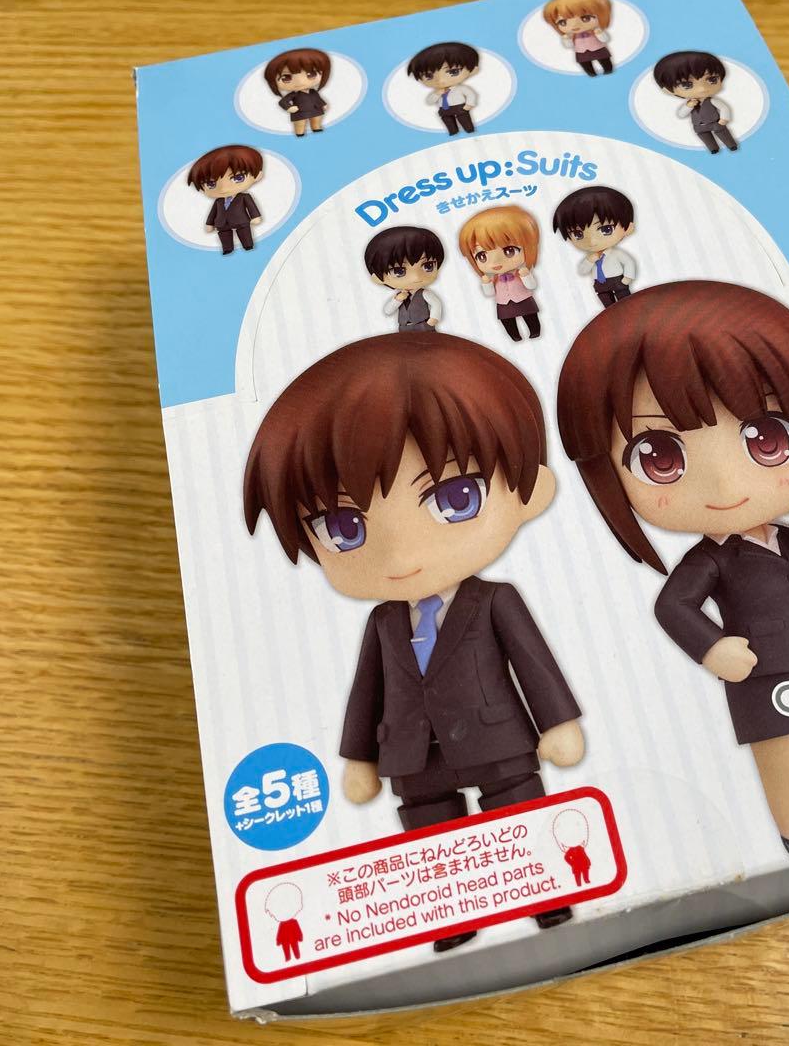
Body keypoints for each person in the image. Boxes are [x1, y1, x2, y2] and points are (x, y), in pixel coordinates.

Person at [244, 332, 585, 951]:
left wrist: (558, 723)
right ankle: (453, 917)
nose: (400, 555)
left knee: (519, 815)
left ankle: (547, 896)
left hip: (498, 740)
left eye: (456, 497)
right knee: (432, 836)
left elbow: (534, 664)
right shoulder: (382, 623)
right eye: (342, 526)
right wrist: (358, 758)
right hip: (411, 755)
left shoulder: (495, 601)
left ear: (530, 491)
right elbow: (366, 693)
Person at [556, 281, 789, 858]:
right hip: (765, 673)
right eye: (660, 458)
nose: (725, 485)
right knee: (785, 756)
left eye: (768, 438)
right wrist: (713, 647)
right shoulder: (711, 558)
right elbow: (673, 605)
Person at [459, 206, 543, 341]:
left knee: (530, 315)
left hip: (523, 298)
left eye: (509, 250)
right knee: (507, 320)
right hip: (503, 302)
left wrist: (526, 275)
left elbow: (532, 286)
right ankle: (515, 336)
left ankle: (535, 331)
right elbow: (489, 293)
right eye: (482, 256)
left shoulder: (520, 273)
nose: (495, 261)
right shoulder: (494, 279)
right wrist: (486, 283)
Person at [552, 186, 637, 306]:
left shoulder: (617, 254)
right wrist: (589, 261)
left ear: (628, 228)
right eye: (578, 234)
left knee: (627, 304)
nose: (592, 241)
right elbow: (582, 271)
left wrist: (627, 277)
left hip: (617, 280)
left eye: (606, 229)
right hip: (600, 284)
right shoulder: (591, 257)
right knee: (608, 308)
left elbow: (629, 262)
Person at [653, 51, 738, 154]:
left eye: (712, 79)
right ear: (667, 90)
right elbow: (681, 114)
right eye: (687, 85)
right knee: (705, 136)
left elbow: (724, 108)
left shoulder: (713, 101)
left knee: (723, 133)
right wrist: (688, 106)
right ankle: (713, 148)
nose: (702, 89)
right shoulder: (690, 104)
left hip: (715, 123)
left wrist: (724, 119)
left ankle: (731, 145)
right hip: (699, 126)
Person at [187, 144, 264, 255]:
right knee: (224, 235)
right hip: (222, 224)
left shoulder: (244, 197)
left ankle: (248, 245)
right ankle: (227, 248)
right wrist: (209, 223)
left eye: (238, 178)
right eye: (211, 184)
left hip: (241, 221)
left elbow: (251, 207)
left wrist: (255, 217)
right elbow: (212, 213)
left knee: (244, 232)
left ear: (258, 176)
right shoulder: (218, 201)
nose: (223, 188)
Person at [364, 226, 445, 331]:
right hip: (403, 328)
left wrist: (432, 320)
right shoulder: (399, 296)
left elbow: (436, 304)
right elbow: (388, 311)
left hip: (423, 326)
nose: (416, 277)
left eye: (428, 266)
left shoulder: (425, 294)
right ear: (377, 278)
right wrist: (397, 300)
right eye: (399, 271)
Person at [407, 42, 480, 136]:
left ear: (473, 71)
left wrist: (469, 104)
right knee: (448, 122)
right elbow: (429, 101)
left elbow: (471, 95)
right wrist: (437, 94)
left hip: (459, 107)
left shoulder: (461, 88)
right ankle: (453, 132)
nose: (440, 80)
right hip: (444, 110)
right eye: (428, 76)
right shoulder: (437, 92)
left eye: (453, 71)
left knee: (464, 120)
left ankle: (470, 131)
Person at [542, 0, 615, 76]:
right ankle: (592, 74)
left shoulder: (595, 31)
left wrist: (599, 33)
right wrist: (566, 39)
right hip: (581, 51)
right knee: (586, 65)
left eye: (586, 18)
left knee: (606, 62)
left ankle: (608, 72)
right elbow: (569, 46)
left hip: (598, 48)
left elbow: (605, 39)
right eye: (563, 22)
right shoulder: (572, 36)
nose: (575, 25)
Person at [264, 48, 331, 136]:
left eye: (311, 74)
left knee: (316, 120)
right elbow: (283, 102)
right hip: (300, 112)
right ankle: (300, 133)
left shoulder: (313, 92)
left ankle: (316, 128)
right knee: (300, 124)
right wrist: (289, 107)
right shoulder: (294, 94)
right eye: (286, 77)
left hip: (316, 110)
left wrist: (323, 104)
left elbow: (318, 99)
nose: (300, 82)